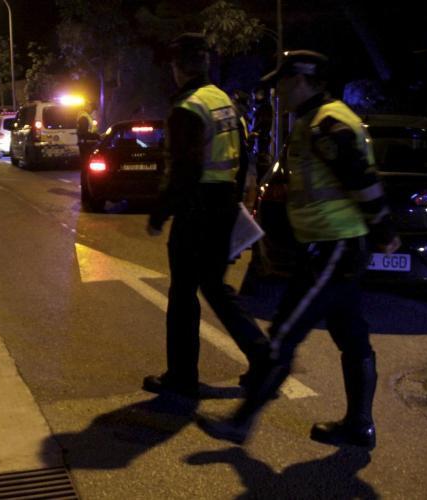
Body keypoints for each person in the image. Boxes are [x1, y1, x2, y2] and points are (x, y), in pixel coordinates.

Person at [199, 50, 400, 449]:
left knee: (285, 333)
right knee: (351, 334)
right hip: (333, 246)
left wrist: (383, 229)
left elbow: (361, 178)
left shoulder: (327, 124)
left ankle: (241, 423)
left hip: (334, 248)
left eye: (283, 82)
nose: (278, 91)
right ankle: (359, 426)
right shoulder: (315, 120)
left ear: (304, 80)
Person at [143, 33, 269, 399]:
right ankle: (264, 358)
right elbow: (243, 155)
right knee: (214, 286)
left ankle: (182, 377)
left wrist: (160, 213)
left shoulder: (188, 108)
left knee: (183, 293)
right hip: (223, 204)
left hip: (196, 209)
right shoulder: (223, 101)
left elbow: (184, 170)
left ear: (177, 67)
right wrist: (236, 203)